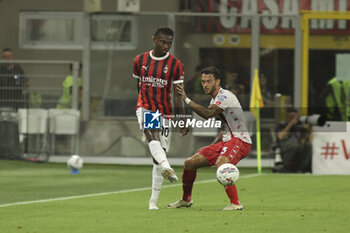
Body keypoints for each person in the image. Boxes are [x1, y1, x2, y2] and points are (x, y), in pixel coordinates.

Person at [167, 66, 252, 210]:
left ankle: (235, 203)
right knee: (190, 163)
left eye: (209, 81)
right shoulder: (215, 99)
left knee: (222, 164)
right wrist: (212, 147)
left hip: (240, 140)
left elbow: (208, 113)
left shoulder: (225, 96)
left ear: (218, 81)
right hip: (227, 140)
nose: (205, 84)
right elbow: (224, 128)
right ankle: (186, 199)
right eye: (203, 81)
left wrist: (186, 99)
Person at [133, 27, 188, 210]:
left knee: (158, 156)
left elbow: (178, 95)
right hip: (145, 107)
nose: (166, 46)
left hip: (165, 112)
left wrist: (182, 119)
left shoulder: (175, 64)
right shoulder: (139, 60)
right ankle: (167, 166)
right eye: (163, 42)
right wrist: (141, 105)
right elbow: (138, 86)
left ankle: (153, 201)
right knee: (151, 135)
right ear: (154, 39)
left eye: (169, 43)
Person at [273, 108, 312, 173]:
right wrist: (290, 124)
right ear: (287, 117)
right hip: (284, 146)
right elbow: (280, 137)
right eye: (292, 117)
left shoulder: (298, 126)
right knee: (294, 145)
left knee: (308, 145)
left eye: (295, 117)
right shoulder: (281, 124)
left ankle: (301, 169)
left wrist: (308, 129)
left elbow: (305, 138)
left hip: (297, 146)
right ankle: (285, 168)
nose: (294, 119)